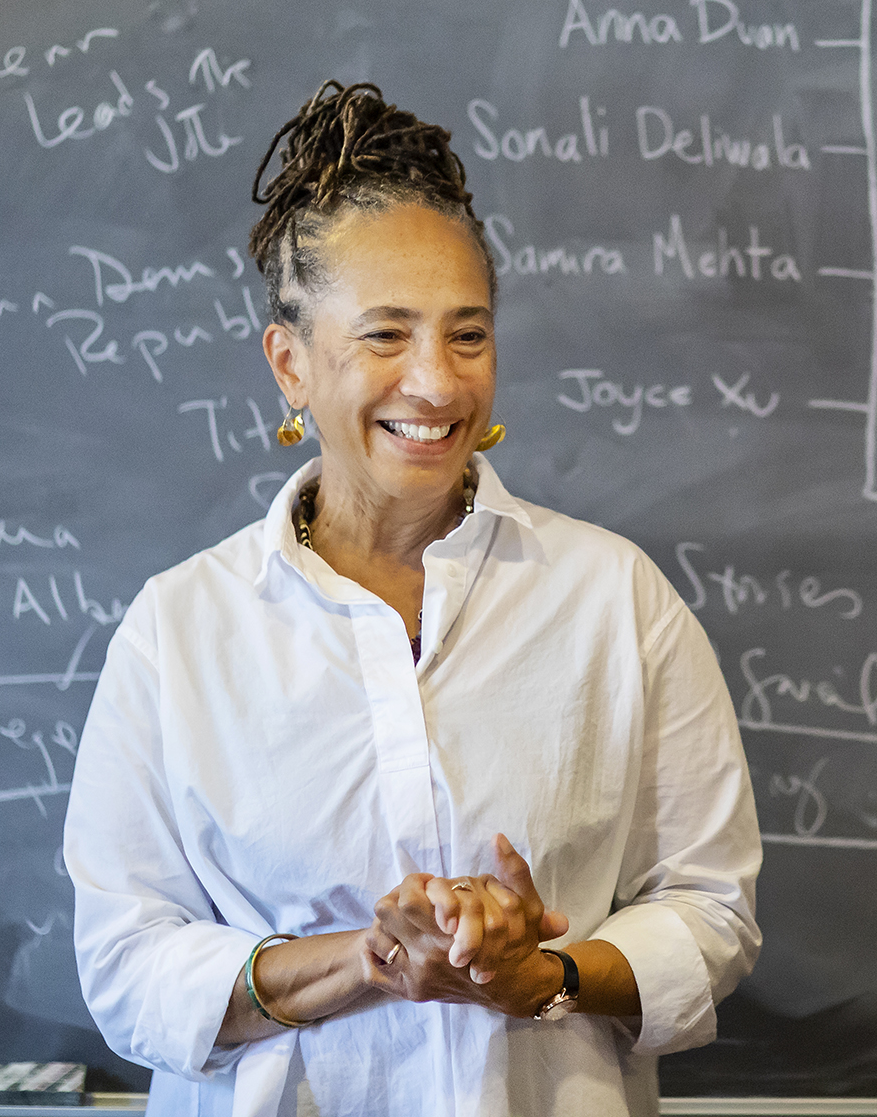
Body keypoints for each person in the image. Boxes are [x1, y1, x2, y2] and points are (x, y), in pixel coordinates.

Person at [64, 81, 762, 1117]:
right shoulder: (182, 630)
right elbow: (126, 962)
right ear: (290, 362)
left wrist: (547, 975)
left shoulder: (616, 599)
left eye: (467, 335)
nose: (435, 383)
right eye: (386, 335)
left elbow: (711, 910)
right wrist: (368, 959)